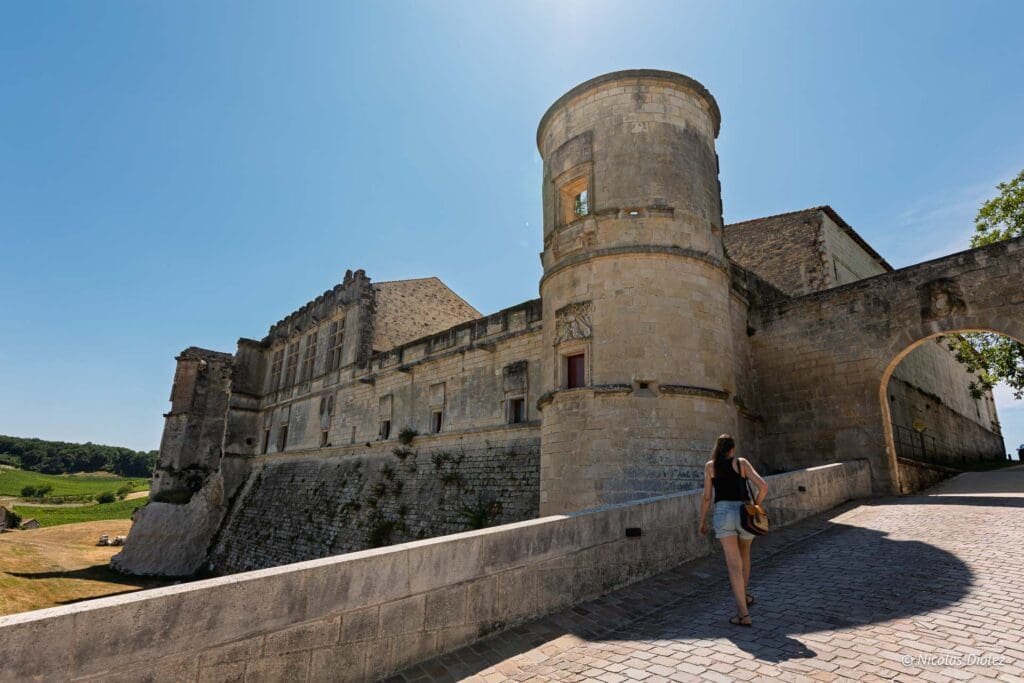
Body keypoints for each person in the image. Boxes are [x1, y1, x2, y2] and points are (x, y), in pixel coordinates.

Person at [698, 434, 768, 627]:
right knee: (745, 557)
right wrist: (755, 507)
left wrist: (701, 521)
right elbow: (763, 487)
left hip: (723, 513)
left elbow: (706, 497)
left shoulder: (710, 466)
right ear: (732, 449)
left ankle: (743, 615)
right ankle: (743, 597)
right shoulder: (742, 463)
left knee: (733, 566)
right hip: (744, 512)